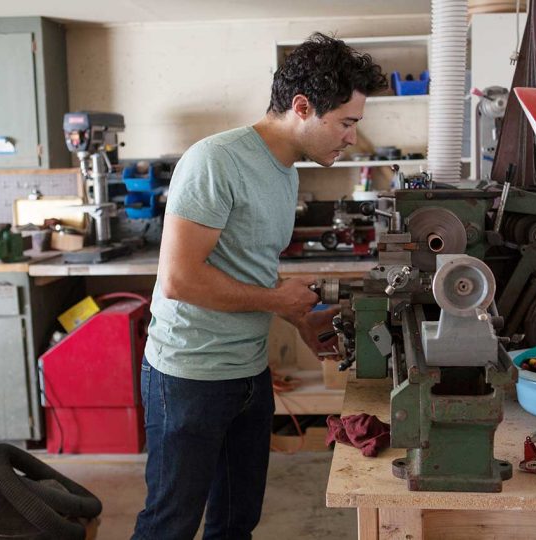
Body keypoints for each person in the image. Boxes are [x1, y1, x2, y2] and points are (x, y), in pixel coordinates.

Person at [132, 33, 387, 540]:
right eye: (346, 123)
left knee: (235, 522)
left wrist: (299, 318)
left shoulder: (286, 172)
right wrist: (278, 300)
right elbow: (179, 278)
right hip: (190, 378)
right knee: (170, 524)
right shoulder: (216, 161)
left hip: (249, 375)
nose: (351, 139)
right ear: (301, 107)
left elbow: (248, 262)